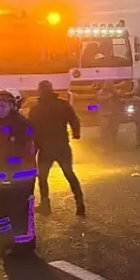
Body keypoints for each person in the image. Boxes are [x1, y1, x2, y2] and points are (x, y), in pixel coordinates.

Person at [0, 89, 38, 263]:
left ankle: (24, 246)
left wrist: (9, 165)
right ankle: (5, 239)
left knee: (19, 211)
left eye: (2, 106)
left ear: (13, 105)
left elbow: (23, 149)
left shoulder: (22, 124)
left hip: (21, 177)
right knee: (0, 208)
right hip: (2, 177)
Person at [28, 80, 85, 217]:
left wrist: (32, 151)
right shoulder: (63, 104)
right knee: (69, 174)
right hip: (62, 146)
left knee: (42, 177)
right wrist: (76, 133)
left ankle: (45, 204)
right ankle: (80, 203)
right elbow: (74, 119)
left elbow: (31, 131)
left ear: (40, 91)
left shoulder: (35, 109)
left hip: (45, 149)